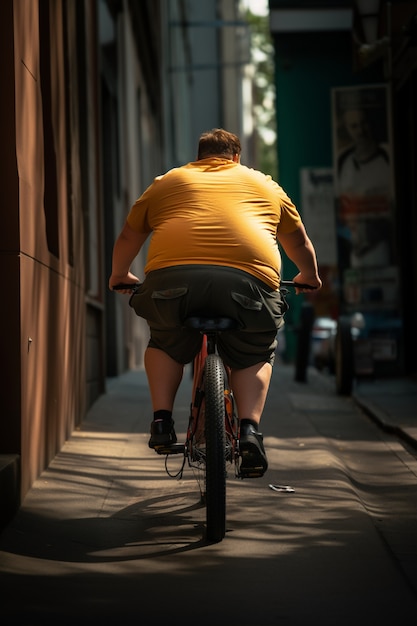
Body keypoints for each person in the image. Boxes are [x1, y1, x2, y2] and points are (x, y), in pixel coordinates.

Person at [109, 128, 322, 477]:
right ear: (236, 157)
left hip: (172, 283)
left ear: (199, 157)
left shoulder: (167, 182)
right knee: (255, 349)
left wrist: (120, 275)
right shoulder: (266, 185)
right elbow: (298, 241)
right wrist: (308, 276)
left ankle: (162, 421)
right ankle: (250, 430)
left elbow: (130, 235)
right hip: (248, 285)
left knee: (165, 340)